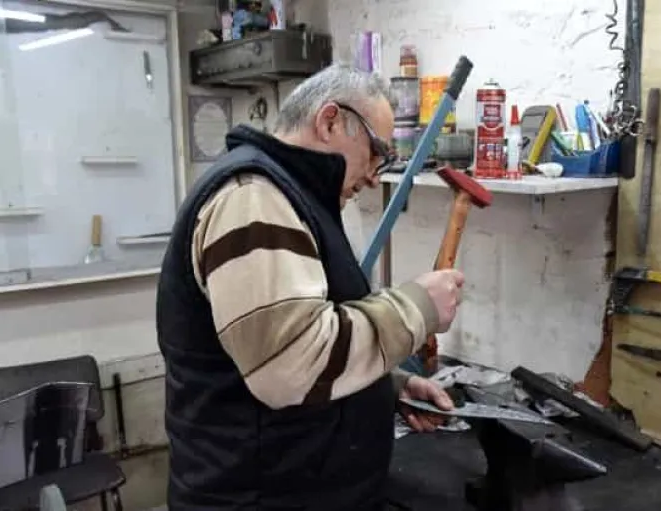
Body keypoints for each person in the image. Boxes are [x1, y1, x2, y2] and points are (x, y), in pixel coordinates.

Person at [156, 62, 465, 511]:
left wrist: (385, 386)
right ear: (330, 121)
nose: (375, 175)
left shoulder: (292, 197)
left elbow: (305, 331)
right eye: (376, 152)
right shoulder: (253, 199)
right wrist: (417, 308)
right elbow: (289, 365)